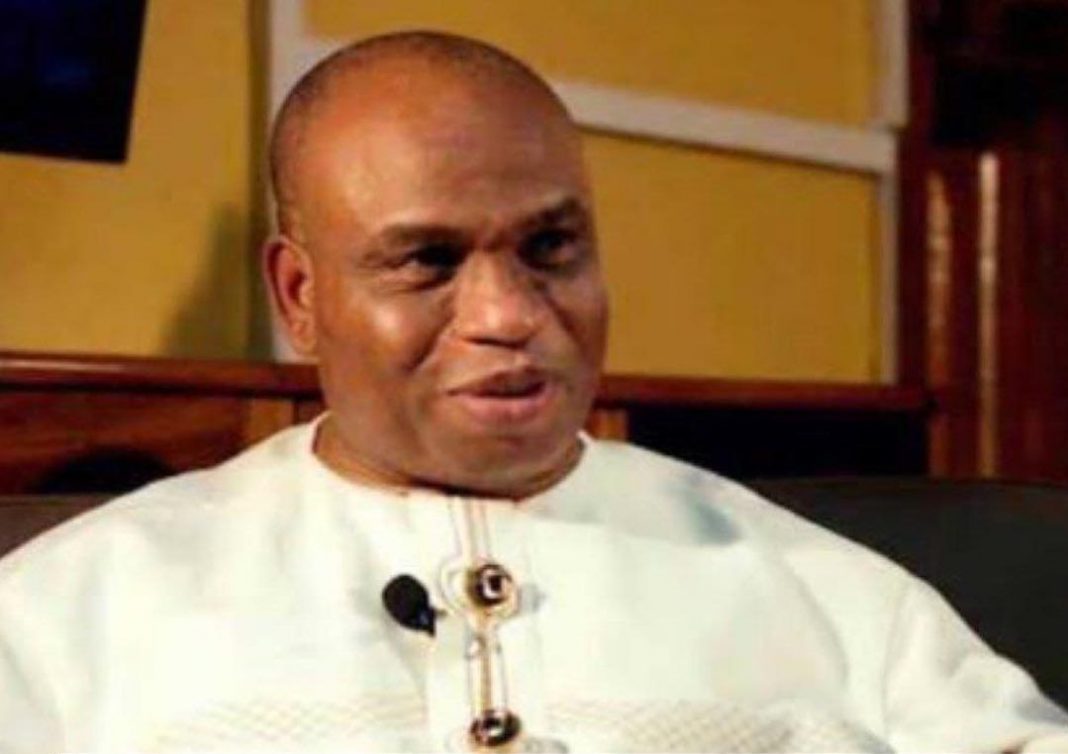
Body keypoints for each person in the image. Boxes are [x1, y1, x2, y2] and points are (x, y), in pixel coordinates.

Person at [0, 31, 1066, 753]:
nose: (509, 313)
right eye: (426, 262)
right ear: (301, 295)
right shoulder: (64, 614)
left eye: (551, 248)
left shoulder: (840, 599)